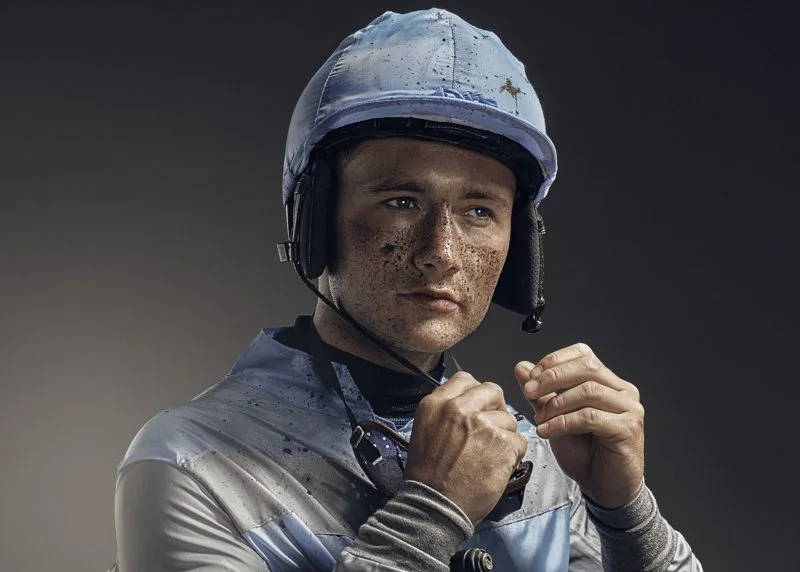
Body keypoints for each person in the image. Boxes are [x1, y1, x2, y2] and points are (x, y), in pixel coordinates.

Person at [109, 8, 702, 572]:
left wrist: (624, 513)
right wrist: (432, 513)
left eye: (478, 210)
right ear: (313, 220)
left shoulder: (535, 454)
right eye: (401, 201)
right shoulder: (189, 464)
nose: (440, 252)